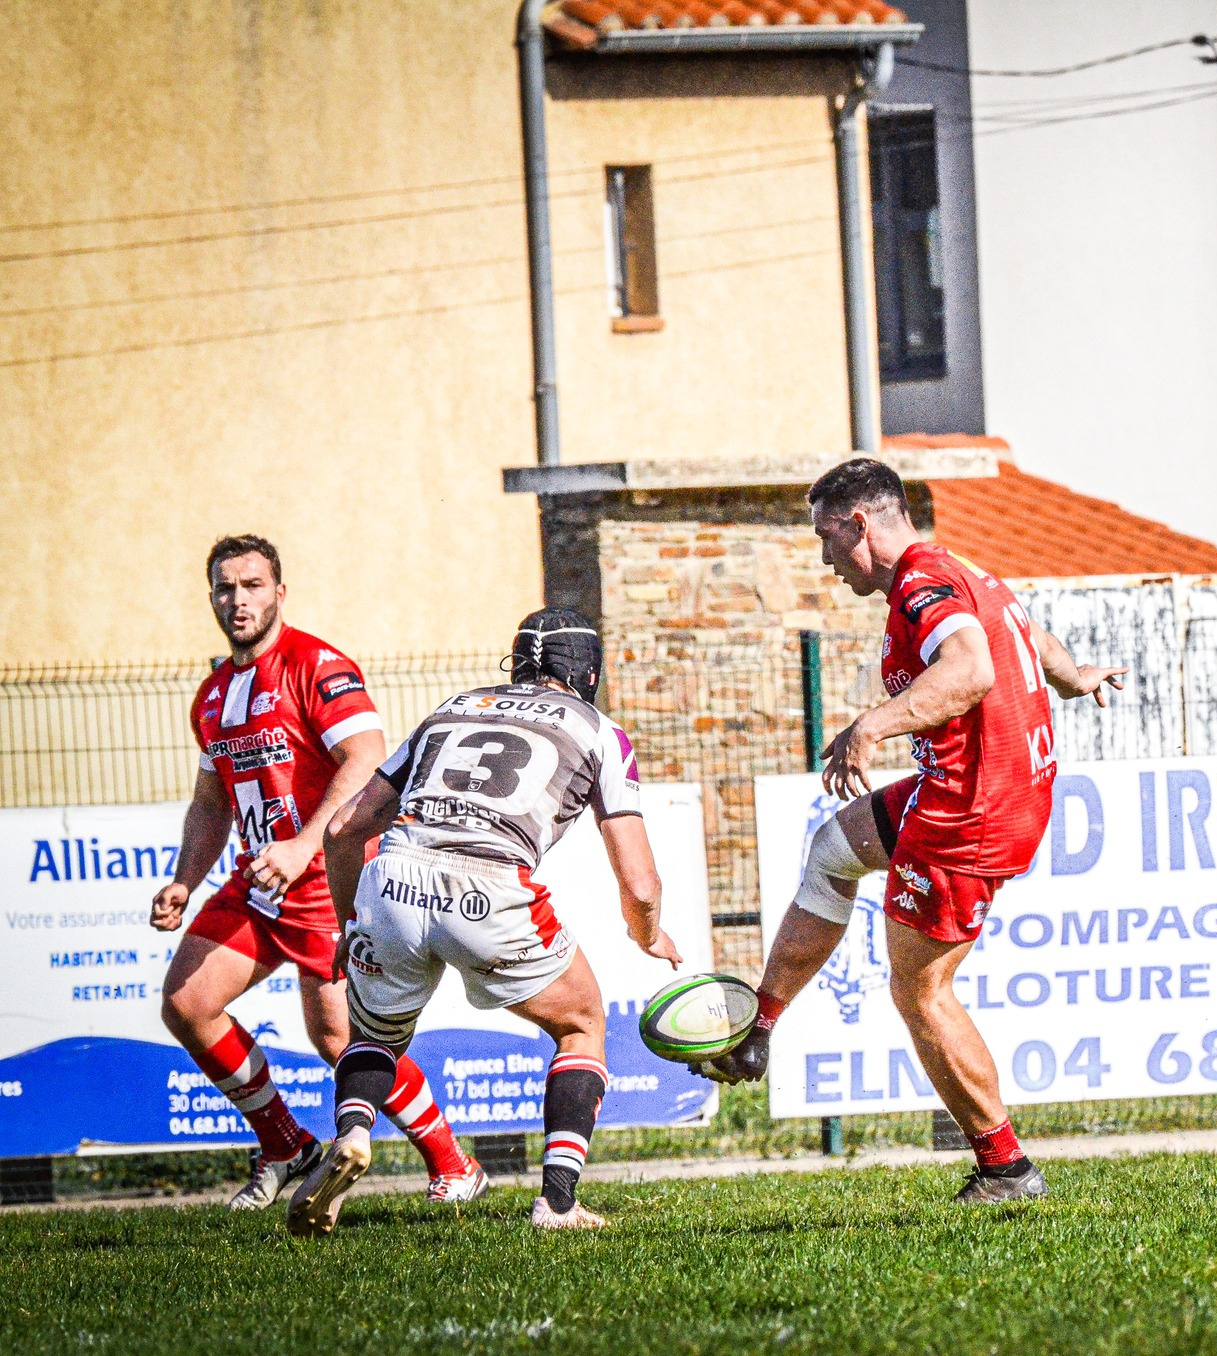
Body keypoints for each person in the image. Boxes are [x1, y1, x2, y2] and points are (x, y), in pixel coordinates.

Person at [698, 459, 1126, 1204]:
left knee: (920, 991)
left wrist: (872, 726)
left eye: (827, 538)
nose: (825, 559)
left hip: (971, 813)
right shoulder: (963, 571)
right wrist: (1075, 677)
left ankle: (1006, 1169)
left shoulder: (923, 586)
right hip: (979, 788)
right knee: (833, 850)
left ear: (860, 524)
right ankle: (761, 1027)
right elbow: (1030, 637)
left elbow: (970, 671)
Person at [292, 607, 683, 1236]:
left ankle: (354, 1133)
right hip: (490, 883)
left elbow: (342, 830)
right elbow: (639, 881)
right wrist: (648, 933)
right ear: (588, 672)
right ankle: (558, 1203)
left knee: (375, 1036)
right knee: (582, 1023)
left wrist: (350, 927)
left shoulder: (450, 709)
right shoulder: (600, 731)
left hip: (395, 874)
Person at [150, 535, 478, 1210]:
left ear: (279, 592)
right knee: (187, 1002)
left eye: (251, 585)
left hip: (328, 880)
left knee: (339, 1039)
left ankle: (454, 1164)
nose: (237, 600)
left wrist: (305, 843)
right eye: (224, 588)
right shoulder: (213, 695)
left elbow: (368, 757)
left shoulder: (317, 664)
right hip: (261, 882)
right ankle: (285, 1144)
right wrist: (185, 878)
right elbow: (211, 805)